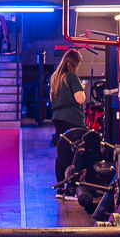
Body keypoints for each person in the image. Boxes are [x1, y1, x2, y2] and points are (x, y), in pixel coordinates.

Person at [49, 49, 88, 186]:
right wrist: (82, 89)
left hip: (57, 118)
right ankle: (72, 186)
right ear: (75, 63)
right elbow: (80, 99)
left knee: (62, 152)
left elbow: (52, 98)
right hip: (72, 119)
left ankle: (60, 186)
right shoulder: (71, 77)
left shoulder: (55, 77)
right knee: (75, 153)